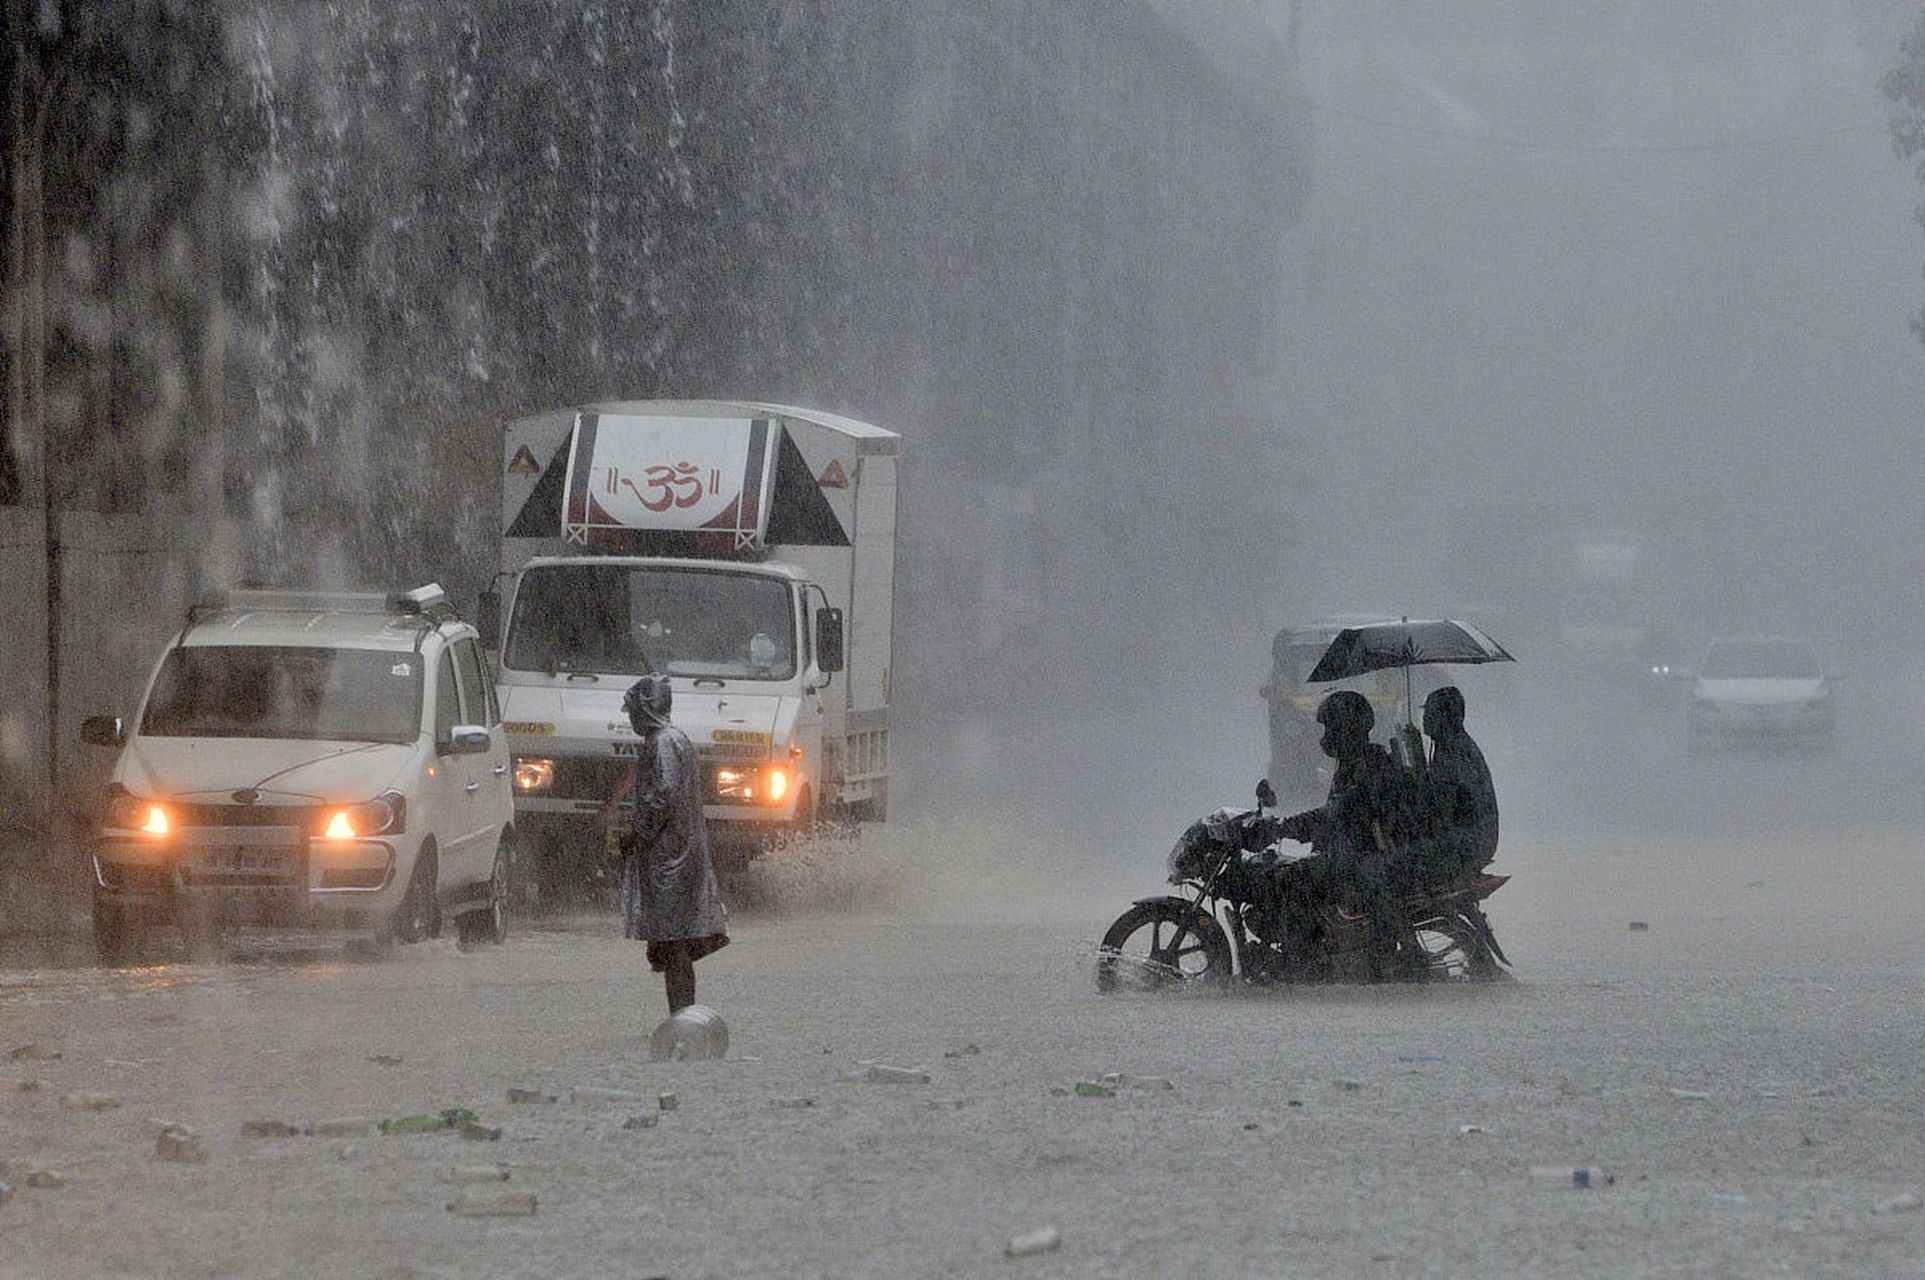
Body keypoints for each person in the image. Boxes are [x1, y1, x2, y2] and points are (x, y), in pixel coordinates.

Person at [1246, 690, 1421, 974]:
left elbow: (1336, 815)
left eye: (1330, 727)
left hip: (1361, 859)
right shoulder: (1353, 763)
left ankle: (1300, 959)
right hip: (1352, 854)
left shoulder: (1369, 764)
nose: (1325, 736)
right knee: (1287, 871)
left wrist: (1284, 828)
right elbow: (1334, 815)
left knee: (1293, 880)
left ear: (1347, 728)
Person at [602, 673, 729, 1013]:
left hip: (670, 859)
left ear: (646, 709)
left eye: (633, 712)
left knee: (673, 941)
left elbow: (663, 796)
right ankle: (683, 1011)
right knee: (674, 940)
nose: (629, 719)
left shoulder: (663, 742)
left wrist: (637, 835)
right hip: (674, 853)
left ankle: (682, 1013)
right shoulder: (672, 740)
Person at [1411, 685, 1499, 887]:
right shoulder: (1452, 746)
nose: (1425, 719)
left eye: (1430, 713)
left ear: (1445, 717)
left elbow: (1440, 805)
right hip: (1469, 841)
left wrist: (1417, 762)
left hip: (1465, 846)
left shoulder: (1453, 751)